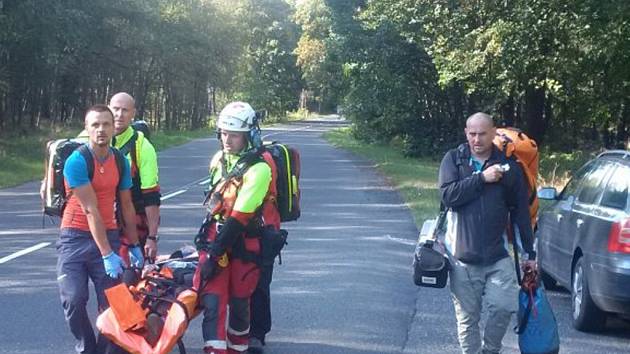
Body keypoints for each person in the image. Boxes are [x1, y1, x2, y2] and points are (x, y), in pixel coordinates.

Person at [438, 112, 536, 354]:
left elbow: (521, 213)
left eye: (482, 133)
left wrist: (529, 253)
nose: (477, 139)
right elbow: (448, 196)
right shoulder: (454, 161)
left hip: (498, 256)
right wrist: (482, 178)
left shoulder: (510, 169)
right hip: (461, 257)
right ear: (466, 133)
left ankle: (491, 350)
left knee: (504, 307)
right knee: (468, 320)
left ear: (494, 133)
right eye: (472, 134)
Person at [193, 101, 280, 354]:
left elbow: (239, 218)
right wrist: (208, 247)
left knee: (241, 300)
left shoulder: (260, 168)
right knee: (213, 299)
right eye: (224, 133)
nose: (228, 139)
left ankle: (239, 347)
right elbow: (215, 205)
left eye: (235, 135)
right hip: (217, 235)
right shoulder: (218, 159)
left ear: (249, 135)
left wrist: (213, 255)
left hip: (245, 241)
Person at [57, 104, 144, 353]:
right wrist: (107, 254)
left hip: (109, 234)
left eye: (106, 124)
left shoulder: (119, 160)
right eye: (95, 125)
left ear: (113, 129)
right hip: (74, 237)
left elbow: (127, 205)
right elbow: (90, 210)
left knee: (115, 303)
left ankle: (107, 349)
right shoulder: (77, 161)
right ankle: (86, 347)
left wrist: (134, 243)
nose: (101, 130)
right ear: (87, 129)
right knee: (74, 300)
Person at [109, 92, 161, 263]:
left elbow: (151, 195)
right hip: (95, 223)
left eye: (125, 110)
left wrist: (152, 237)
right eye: (115, 109)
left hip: (130, 226)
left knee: (126, 282)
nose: (119, 114)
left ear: (133, 114)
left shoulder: (143, 147)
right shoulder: (89, 136)